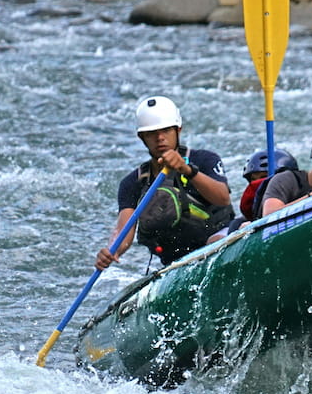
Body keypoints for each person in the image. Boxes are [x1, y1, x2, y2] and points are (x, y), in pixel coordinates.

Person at [95, 96, 233, 269]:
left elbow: (223, 198)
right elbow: (124, 232)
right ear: (142, 137)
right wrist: (112, 250)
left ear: (178, 130)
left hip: (218, 240)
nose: (160, 138)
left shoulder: (205, 160)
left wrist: (187, 169)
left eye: (166, 130)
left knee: (218, 239)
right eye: (152, 133)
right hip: (174, 261)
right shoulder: (133, 183)